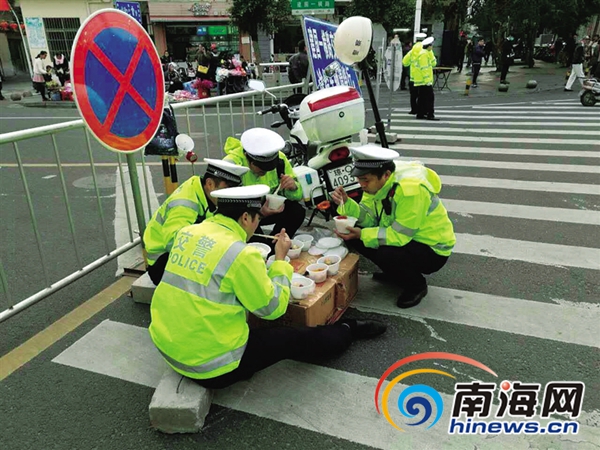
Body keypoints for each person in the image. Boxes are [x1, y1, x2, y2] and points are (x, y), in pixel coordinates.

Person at [148, 184, 387, 389]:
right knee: (291, 339)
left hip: (167, 346)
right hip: (213, 367)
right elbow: (273, 308)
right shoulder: (240, 254)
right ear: (244, 218)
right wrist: (281, 261)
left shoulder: (188, 232)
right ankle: (347, 329)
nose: (256, 225)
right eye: (257, 219)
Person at [331, 145, 455, 308]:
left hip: (432, 249)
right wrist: (347, 204)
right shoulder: (376, 185)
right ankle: (396, 273)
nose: (361, 185)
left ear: (386, 175)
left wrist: (362, 234)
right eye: (359, 179)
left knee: (385, 252)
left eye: (365, 180)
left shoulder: (410, 190)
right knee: (355, 237)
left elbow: (400, 236)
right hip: (405, 238)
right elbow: (368, 218)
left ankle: (416, 286)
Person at [143, 159, 249, 285]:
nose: (229, 196)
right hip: (162, 264)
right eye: (226, 190)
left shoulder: (205, 193)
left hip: (176, 257)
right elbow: (174, 243)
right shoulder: (184, 204)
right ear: (210, 184)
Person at [223, 128, 306, 242]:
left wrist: (293, 187)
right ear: (248, 158)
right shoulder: (232, 165)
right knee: (258, 244)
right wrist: (259, 213)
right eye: (261, 169)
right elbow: (225, 208)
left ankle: (275, 246)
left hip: (269, 208)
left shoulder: (280, 160)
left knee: (297, 211)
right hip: (243, 215)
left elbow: (298, 196)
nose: (265, 173)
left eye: (269, 168)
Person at [402, 33, 427, 115]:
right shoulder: (426, 51)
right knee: (422, 96)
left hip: (413, 77)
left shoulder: (411, 51)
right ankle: (422, 111)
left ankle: (413, 110)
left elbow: (405, 62)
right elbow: (433, 63)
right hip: (423, 79)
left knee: (413, 95)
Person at [414, 36, 438, 121]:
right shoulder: (423, 54)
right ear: (429, 46)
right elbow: (424, 68)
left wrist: (431, 53)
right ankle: (430, 114)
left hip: (422, 81)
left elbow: (434, 63)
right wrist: (428, 81)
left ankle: (420, 114)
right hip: (425, 81)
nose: (432, 47)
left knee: (422, 98)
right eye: (431, 46)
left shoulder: (425, 53)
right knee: (429, 98)